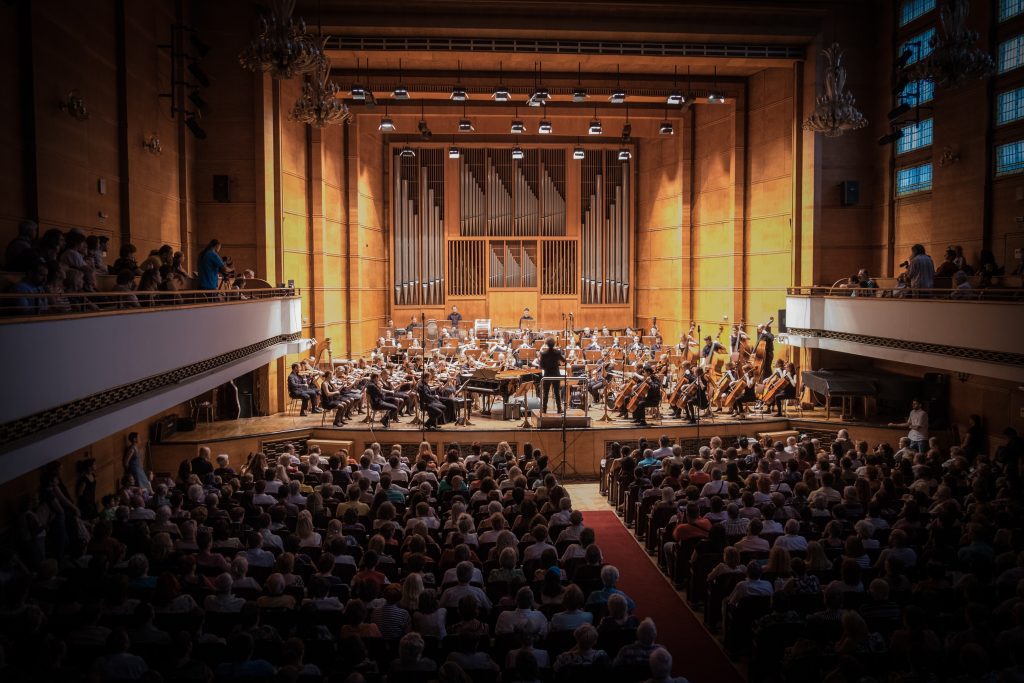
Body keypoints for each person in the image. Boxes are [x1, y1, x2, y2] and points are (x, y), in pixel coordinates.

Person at [536, 336, 565, 415]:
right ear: (554, 343)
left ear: (546, 344)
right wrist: (558, 363)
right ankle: (559, 409)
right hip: (556, 374)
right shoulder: (557, 352)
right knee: (557, 393)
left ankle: (544, 409)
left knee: (545, 393)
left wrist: (546, 366)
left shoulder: (543, 353)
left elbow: (541, 366)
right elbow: (564, 361)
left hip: (547, 374)